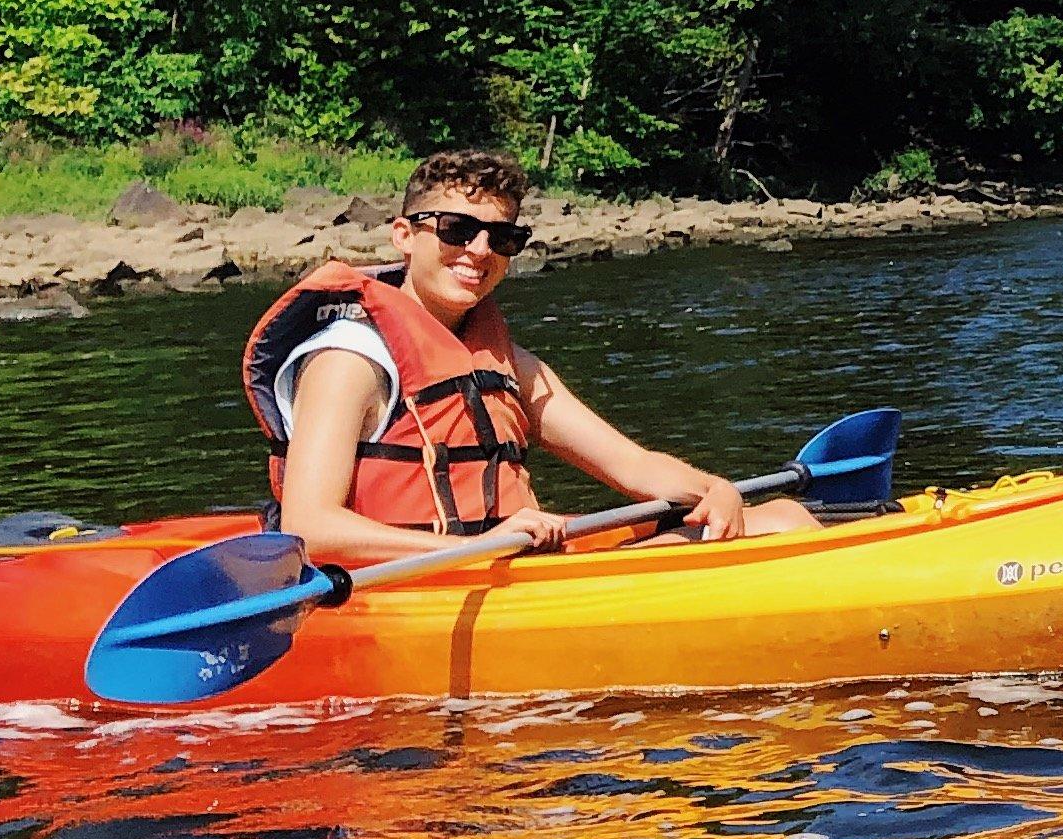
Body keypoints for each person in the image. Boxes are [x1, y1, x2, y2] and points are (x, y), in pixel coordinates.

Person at [238, 146, 792, 567]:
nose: (479, 251)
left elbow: (633, 466)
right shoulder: (349, 362)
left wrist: (711, 488)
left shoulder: (509, 366)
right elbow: (311, 529)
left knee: (785, 518)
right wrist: (475, 547)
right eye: (458, 230)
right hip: (411, 585)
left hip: (506, 567)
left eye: (501, 238)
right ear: (404, 235)